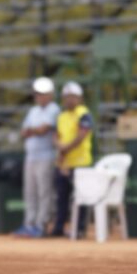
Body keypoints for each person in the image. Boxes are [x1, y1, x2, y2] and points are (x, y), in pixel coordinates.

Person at [14, 77, 60, 238]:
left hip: (46, 156)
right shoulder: (33, 111)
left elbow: (42, 129)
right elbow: (25, 132)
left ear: (50, 94)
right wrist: (34, 130)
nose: (38, 97)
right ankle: (29, 224)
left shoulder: (54, 109)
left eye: (42, 94)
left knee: (44, 191)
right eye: (37, 94)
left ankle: (41, 225)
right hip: (31, 157)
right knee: (30, 191)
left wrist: (32, 131)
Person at [51, 82, 93, 238]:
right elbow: (55, 136)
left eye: (73, 97)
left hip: (80, 163)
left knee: (81, 199)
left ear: (80, 98)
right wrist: (59, 147)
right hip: (63, 163)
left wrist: (64, 148)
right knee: (62, 198)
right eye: (67, 97)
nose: (70, 100)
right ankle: (59, 227)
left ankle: (79, 229)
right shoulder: (61, 116)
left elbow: (82, 135)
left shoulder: (84, 113)